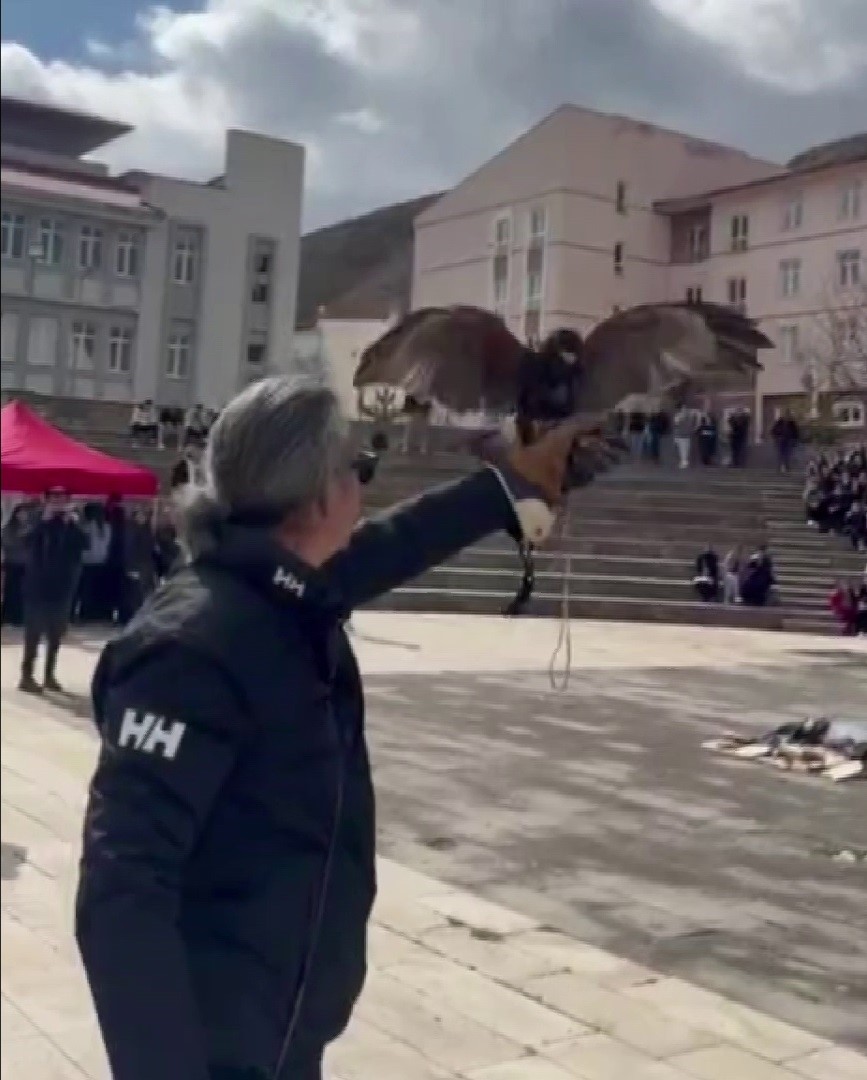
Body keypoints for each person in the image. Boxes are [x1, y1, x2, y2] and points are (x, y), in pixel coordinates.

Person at [75, 376, 617, 1080]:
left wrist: (505, 486)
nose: (364, 492)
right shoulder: (190, 649)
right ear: (318, 497)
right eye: (357, 471)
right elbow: (121, 892)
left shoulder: (279, 590)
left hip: (282, 1028)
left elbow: (390, 545)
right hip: (218, 1048)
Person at [19, 487, 87, 693]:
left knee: (55, 636)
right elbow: (23, 540)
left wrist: (73, 525)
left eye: (62, 498)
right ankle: (27, 676)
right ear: (46, 500)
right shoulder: (36, 520)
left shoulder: (71, 524)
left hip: (61, 588)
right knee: (33, 635)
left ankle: (49, 675)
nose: (58, 502)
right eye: (54, 498)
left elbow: (85, 544)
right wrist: (43, 521)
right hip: (37, 587)